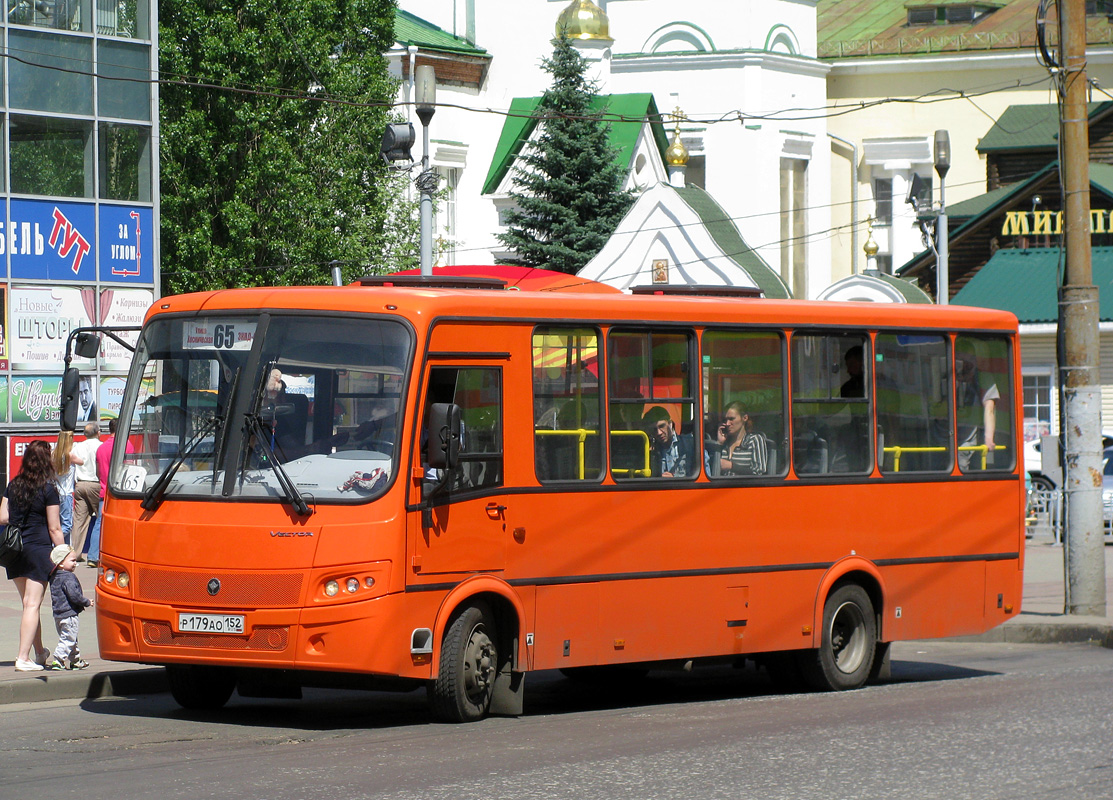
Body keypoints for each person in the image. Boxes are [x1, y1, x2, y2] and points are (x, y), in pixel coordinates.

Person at [2, 439, 64, 671]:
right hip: (39, 550)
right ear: (46, 461)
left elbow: (2, 517)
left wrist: (20, 514)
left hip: (15, 551)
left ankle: (39, 652)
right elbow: (54, 528)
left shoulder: (14, 484)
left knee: (29, 604)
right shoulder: (49, 488)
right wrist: (64, 553)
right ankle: (23, 657)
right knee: (32, 604)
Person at [88, 418, 134, 567]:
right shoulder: (126, 445)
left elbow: (97, 471)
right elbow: (130, 469)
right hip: (121, 492)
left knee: (100, 523)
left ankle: (93, 556)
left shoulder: (101, 448)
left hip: (104, 490)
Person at [46, 544, 92, 670]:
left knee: (70, 637)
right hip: (69, 614)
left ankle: (75, 660)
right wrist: (86, 602)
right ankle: (58, 659)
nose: (75, 563)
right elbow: (74, 595)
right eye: (72, 560)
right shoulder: (68, 577)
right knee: (68, 639)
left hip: (58, 615)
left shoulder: (54, 576)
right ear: (61, 563)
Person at [956, 342, 999, 471]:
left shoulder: (983, 378)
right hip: (944, 438)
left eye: (967, 358)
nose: (963, 362)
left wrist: (988, 438)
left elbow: (989, 408)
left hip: (966, 443)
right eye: (959, 358)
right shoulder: (951, 376)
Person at [70, 422, 101, 561]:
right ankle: (95, 555)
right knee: (101, 520)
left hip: (80, 484)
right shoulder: (100, 446)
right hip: (95, 484)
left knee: (79, 521)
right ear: (98, 432)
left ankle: (75, 554)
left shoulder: (78, 446)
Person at [714, 401, 768, 476]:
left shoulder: (754, 440)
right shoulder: (724, 443)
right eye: (725, 420)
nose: (727, 423)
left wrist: (731, 466)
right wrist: (719, 444)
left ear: (745, 418)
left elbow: (759, 472)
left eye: (731, 419)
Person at [51, 430, 83, 544]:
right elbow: (82, 462)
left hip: (56, 492)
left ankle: (64, 551)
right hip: (66, 493)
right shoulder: (70, 455)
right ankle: (52, 542)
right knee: (67, 526)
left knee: (57, 523)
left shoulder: (53, 454)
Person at [641, 406, 692, 478]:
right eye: (654, 429)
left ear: (670, 424)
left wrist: (675, 481)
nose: (659, 433)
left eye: (662, 426)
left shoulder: (691, 444)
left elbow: (702, 480)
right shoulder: (652, 451)